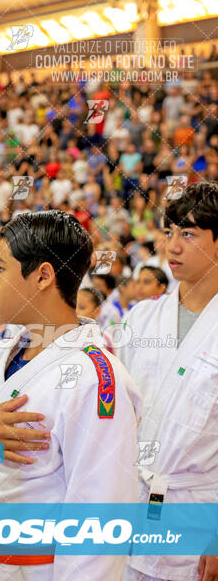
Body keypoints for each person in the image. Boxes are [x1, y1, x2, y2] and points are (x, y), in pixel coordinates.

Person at [0, 210, 142, 581]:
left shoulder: (96, 378)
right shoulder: (2, 352)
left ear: (42, 275)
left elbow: (97, 522)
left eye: (0, 269)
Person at [118, 182, 218, 581]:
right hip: (128, 508)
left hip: (196, 520)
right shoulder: (140, 319)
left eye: (188, 234)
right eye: (170, 232)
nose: (172, 246)